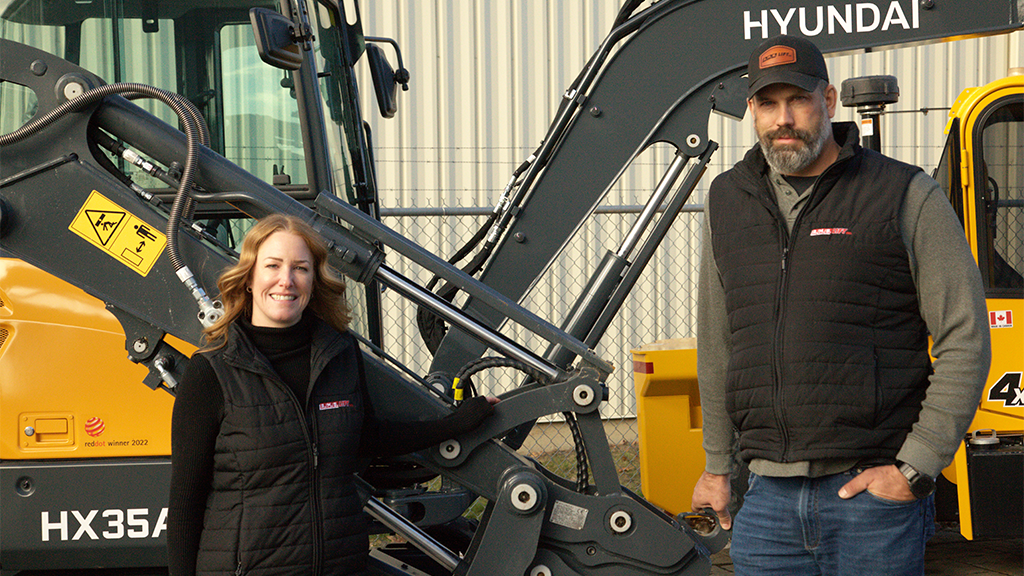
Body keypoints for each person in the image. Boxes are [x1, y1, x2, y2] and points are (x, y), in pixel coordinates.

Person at [690, 35, 991, 575]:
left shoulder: (903, 194)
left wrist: (916, 468)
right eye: (767, 103)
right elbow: (717, 347)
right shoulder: (727, 199)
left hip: (871, 504)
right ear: (752, 110)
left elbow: (965, 336)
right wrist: (717, 468)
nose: (783, 119)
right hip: (766, 509)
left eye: (797, 100)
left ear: (827, 101)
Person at [168, 214, 496, 576]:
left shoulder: (339, 353)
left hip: (339, 565)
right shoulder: (213, 371)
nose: (286, 280)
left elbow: (368, 435)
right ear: (248, 278)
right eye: (272, 266)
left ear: (314, 280)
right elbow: (186, 498)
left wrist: (456, 423)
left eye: (301, 268)